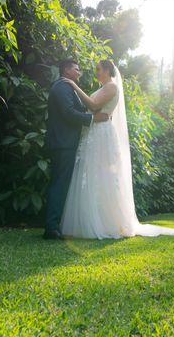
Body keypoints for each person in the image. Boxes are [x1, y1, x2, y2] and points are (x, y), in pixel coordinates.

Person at [59, 59, 174, 239]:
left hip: (101, 134)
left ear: (107, 70)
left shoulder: (111, 87)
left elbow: (92, 105)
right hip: (94, 131)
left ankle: (107, 222)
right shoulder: (104, 87)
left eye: (99, 69)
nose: (96, 72)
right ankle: (92, 218)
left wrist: (74, 86)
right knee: (90, 174)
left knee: (103, 176)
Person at [43, 59, 109, 240]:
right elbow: (69, 113)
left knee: (59, 182)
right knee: (60, 183)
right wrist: (93, 119)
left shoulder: (65, 87)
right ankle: (51, 228)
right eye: (76, 69)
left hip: (63, 142)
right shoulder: (62, 87)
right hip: (63, 143)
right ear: (66, 70)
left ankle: (53, 225)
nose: (79, 72)